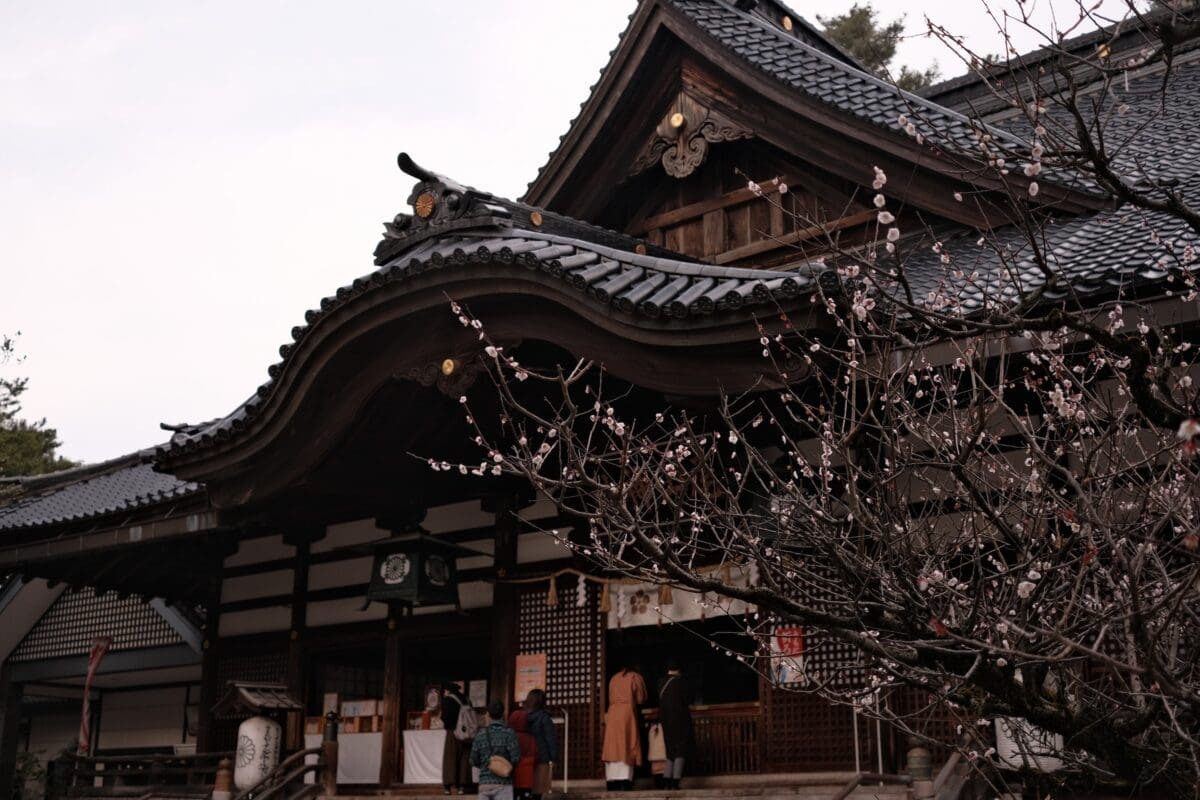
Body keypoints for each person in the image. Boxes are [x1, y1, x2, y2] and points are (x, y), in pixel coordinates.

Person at [601, 664, 647, 791]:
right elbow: (641, 698)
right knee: (626, 744)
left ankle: (611, 780)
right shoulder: (635, 677)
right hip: (627, 712)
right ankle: (625, 780)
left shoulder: (613, 679)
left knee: (612, 746)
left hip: (612, 712)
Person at [470, 700, 522, 800]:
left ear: (488, 715)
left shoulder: (480, 735)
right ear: (503, 714)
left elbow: (473, 760)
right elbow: (516, 758)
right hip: (504, 783)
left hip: (484, 783)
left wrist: (487, 765)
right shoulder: (509, 733)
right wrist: (504, 765)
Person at [657, 661, 693, 790]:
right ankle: (675, 782)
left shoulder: (660, 682)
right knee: (680, 750)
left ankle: (666, 781)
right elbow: (687, 699)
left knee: (670, 750)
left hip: (665, 720)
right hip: (680, 719)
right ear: (678, 670)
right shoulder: (680, 682)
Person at [524, 689, 557, 800]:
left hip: (525, 757)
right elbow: (550, 739)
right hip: (541, 757)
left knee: (526, 789)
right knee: (538, 792)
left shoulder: (523, 717)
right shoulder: (544, 717)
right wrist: (554, 757)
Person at [441, 683, 474, 795]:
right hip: (467, 733)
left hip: (453, 731)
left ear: (448, 690)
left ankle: (448, 786)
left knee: (451, 758)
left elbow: (444, 717)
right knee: (465, 758)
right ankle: (463, 786)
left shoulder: (448, 700)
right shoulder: (467, 699)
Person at [508, 707, 536, 800]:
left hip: (514, 775)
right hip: (528, 777)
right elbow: (536, 754)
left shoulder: (511, 737)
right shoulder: (531, 738)